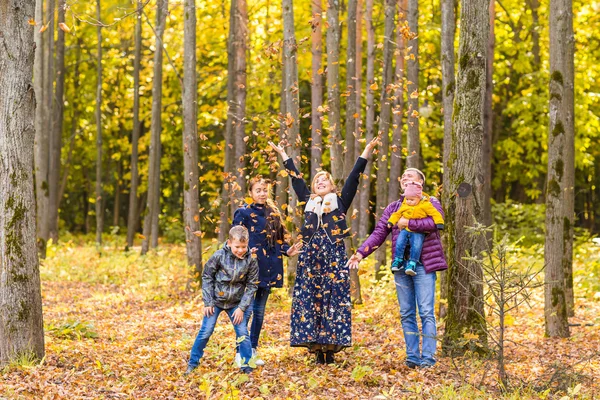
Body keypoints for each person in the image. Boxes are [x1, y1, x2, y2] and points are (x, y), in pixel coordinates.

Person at [268, 137, 379, 365]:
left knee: (333, 300)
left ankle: (330, 347)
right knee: (312, 300)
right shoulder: (307, 202)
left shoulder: (339, 202)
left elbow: (353, 178)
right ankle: (317, 347)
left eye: (324, 180)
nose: (320, 182)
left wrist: (366, 151)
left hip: (333, 258)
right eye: (317, 180)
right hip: (310, 258)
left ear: (332, 186)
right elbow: (296, 179)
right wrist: (283, 155)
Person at [348, 168, 447, 369]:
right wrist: (360, 253)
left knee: (426, 312)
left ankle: (428, 358)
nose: (405, 178)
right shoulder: (394, 207)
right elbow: (378, 233)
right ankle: (412, 357)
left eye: (410, 176)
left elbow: (434, 223)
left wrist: (407, 223)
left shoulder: (431, 202)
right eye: (403, 176)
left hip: (424, 265)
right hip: (401, 267)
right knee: (407, 313)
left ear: (420, 182)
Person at [231, 177, 302, 366]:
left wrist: (288, 250)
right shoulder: (243, 213)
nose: (262, 193)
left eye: (264, 190)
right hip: (250, 268)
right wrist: (245, 254)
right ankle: (240, 352)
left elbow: (280, 240)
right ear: (251, 193)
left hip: (270, 268)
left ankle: (252, 350)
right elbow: (235, 240)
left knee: (260, 311)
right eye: (258, 190)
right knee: (245, 311)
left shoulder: (273, 213)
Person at [185, 226, 259, 375]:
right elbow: (207, 277)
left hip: (236, 304)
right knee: (206, 331)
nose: (240, 250)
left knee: (243, 333)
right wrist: (208, 302)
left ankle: (247, 367)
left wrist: (242, 308)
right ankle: (193, 364)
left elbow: (252, 285)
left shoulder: (251, 261)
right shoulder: (219, 256)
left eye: (244, 247)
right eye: (237, 247)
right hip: (216, 301)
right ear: (229, 243)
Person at [386, 181, 444, 275]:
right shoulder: (405, 204)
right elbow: (397, 214)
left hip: (418, 231)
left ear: (418, 197)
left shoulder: (425, 204)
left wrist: (439, 223)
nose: (408, 201)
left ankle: (412, 263)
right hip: (405, 230)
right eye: (407, 199)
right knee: (400, 242)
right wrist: (391, 221)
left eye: (411, 200)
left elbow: (435, 213)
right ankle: (398, 260)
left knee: (416, 245)